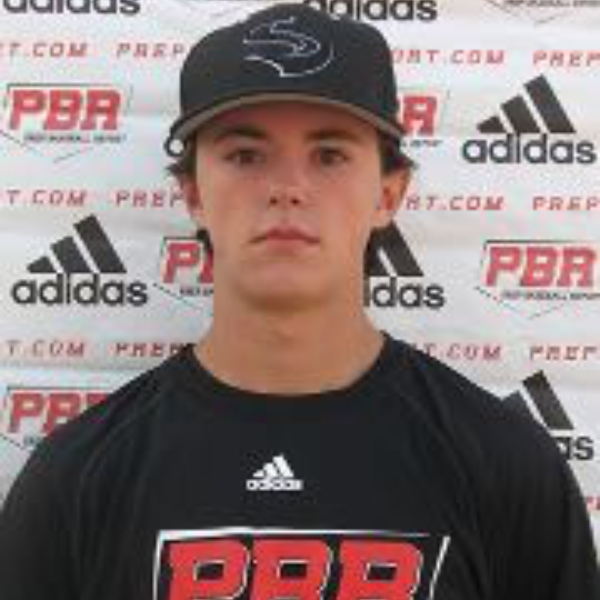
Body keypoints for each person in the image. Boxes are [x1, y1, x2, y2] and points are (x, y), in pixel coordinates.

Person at [0, 3, 598, 599]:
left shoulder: (506, 467)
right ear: (193, 194)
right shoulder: (78, 478)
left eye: (330, 155)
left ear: (388, 194)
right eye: (245, 155)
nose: (287, 188)